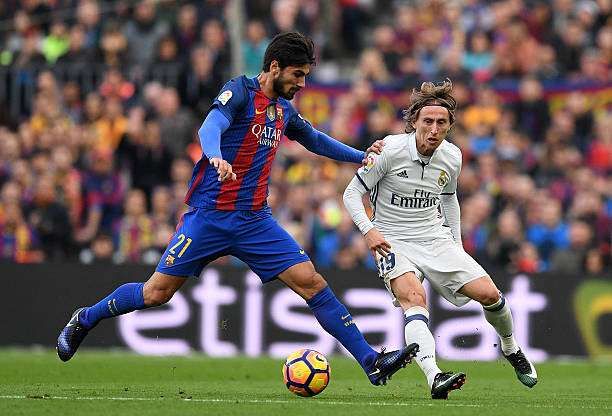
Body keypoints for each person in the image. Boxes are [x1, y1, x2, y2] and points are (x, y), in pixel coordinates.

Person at [57, 32, 418, 386]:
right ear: (275, 67)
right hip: (209, 217)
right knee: (156, 293)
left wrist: (360, 156)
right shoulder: (240, 92)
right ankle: (85, 318)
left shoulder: (283, 110)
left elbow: (315, 140)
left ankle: (371, 362)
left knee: (312, 282)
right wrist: (214, 155)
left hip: (255, 221)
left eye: (306, 75)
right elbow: (210, 124)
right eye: (298, 74)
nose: (303, 83)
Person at [342, 79, 538, 399]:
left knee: (491, 295)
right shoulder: (388, 151)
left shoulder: (452, 157)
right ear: (414, 123)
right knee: (414, 300)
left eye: (441, 123)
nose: (434, 129)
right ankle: (434, 376)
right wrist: (369, 231)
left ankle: (510, 347)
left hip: (434, 237)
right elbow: (351, 194)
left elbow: (449, 199)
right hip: (391, 240)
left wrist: (456, 246)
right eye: (427, 122)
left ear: (450, 126)